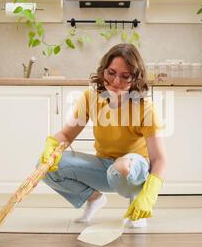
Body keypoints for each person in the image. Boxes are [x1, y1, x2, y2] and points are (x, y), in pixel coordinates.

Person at [39, 43, 167, 228]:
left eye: (125, 76)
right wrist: (51, 146)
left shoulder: (144, 108)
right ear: (103, 71)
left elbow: (159, 159)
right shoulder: (91, 98)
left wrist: (149, 196)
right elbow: (67, 134)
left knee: (122, 166)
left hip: (135, 169)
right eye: (111, 73)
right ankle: (94, 198)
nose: (115, 82)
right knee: (45, 167)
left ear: (135, 78)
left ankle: (136, 199)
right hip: (105, 167)